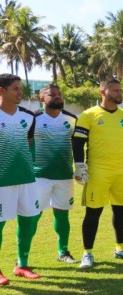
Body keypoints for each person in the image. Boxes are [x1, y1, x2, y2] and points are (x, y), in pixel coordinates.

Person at [73, 78, 123, 269]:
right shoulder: (88, 115)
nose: (119, 93)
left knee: (121, 210)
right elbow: (78, 142)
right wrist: (79, 165)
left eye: (120, 90)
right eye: (114, 90)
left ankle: (120, 248)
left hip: (121, 171)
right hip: (98, 171)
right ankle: (87, 253)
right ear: (102, 92)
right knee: (93, 212)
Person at [0, 73, 41, 283]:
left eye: (20, 88)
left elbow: (28, 143)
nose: (20, 92)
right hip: (2, 181)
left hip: (26, 178)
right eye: (15, 88)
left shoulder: (29, 116)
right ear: (1, 91)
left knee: (29, 220)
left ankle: (22, 265)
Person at [32, 84, 78, 263]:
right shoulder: (33, 118)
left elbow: (78, 146)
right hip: (38, 176)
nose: (58, 96)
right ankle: (22, 257)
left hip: (64, 176)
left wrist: (80, 166)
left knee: (62, 214)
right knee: (32, 216)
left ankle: (63, 252)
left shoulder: (72, 119)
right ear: (42, 98)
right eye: (52, 94)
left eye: (59, 94)